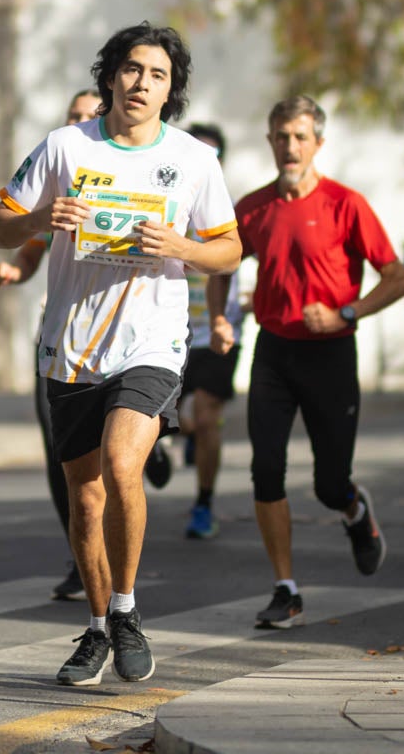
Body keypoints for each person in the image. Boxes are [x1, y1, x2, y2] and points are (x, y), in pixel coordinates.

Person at [0, 22, 240, 686]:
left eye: (157, 75)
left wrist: (180, 247)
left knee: (126, 464)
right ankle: (98, 627)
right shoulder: (65, 147)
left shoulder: (192, 159)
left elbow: (230, 249)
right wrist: (42, 220)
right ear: (110, 76)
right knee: (86, 498)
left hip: (150, 343)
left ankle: (125, 610)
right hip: (72, 345)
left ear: (170, 90)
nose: (141, 83)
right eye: (131, 69)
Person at [208, 95, 404, 630]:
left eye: (300, 136)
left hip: (330, 354)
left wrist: (349, 310)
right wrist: (221, 319)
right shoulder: (253, 208)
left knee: (328, 483)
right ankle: (286, 588)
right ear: (271, 141)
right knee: (266, 470)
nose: (290, 146)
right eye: (280, 136)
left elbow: (399, 278)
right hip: (273, 352)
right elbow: (219, 265)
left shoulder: (347, 204)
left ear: (318, 143)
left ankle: (353, 510)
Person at [0, 89, 102, 602]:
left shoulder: (132, 175)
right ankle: (82, 559)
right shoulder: (57, 181)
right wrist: (17, 268)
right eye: (72, 114)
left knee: (122, 453)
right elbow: (27, 244)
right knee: (64, 451)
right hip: (62, 334)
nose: (79, 122)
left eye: (88, 115)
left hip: (129, 341)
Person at [177, 122, 246, 540]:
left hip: (217, 331)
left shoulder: (230, 206)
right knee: (171, 420)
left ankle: (203, 503)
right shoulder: (163, 199)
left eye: (214, 153)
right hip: (166, 330)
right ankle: (177, 436)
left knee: (206, 417)